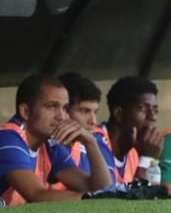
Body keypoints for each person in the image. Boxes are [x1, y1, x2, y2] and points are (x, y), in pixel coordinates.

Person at [0, 75, 113, 205]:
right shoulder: (6, 138)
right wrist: (97, 198)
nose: (61, 117)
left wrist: (90, 143)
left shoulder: (50, 144)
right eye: (52, 106)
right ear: (25, 111)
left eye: (65, 108)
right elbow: (37, 195)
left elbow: (99, 189)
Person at [94, 76, 162, 184]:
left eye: (155, 110)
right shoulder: (94, 144)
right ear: (119, 114)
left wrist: (147, 158)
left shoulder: (134, 152)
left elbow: (147, 197)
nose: (152, 116)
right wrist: (147, 159)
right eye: (142, 108)